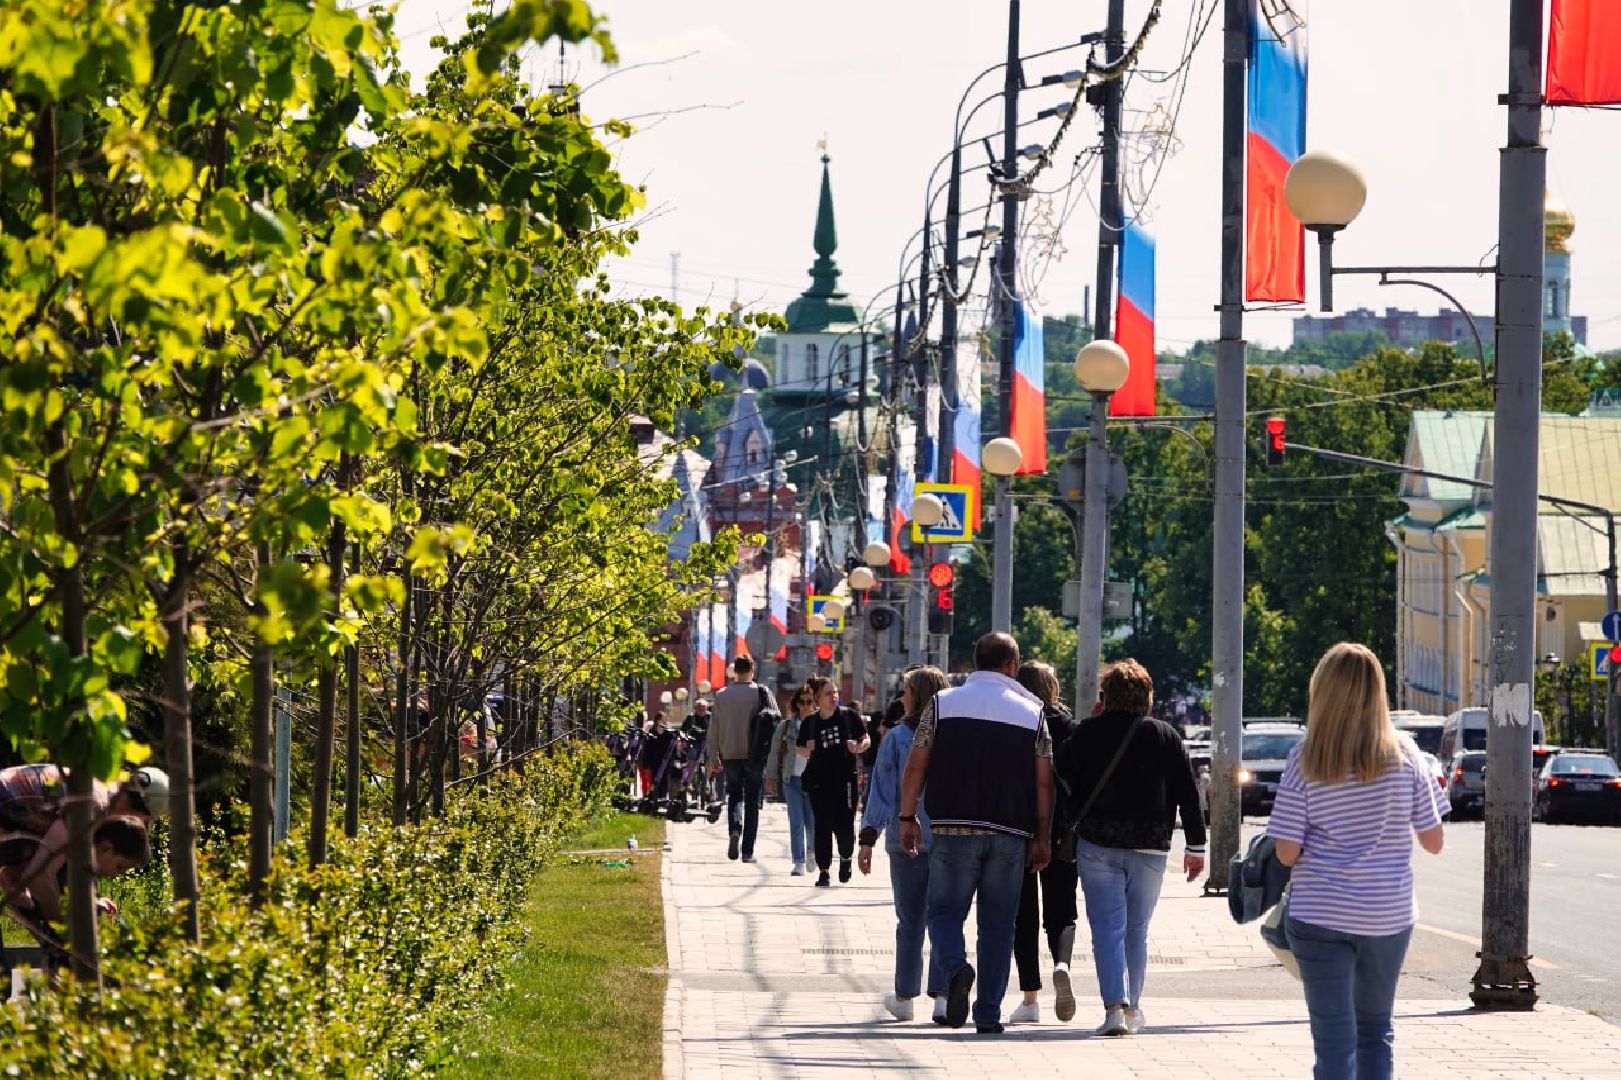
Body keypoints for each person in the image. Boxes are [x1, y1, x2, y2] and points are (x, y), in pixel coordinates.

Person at [1267, 643, 1445, 1080]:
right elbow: (1434, 841)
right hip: (1388, 913)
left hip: (1319, 913)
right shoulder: (1407, 755)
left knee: (1333, 1040)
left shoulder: (1305, 757)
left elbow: (1286, 852)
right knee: (1375, 1028)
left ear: (1322, 692)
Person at [897, 632, 1053, 1035]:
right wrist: (1042, 836)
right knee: (999, 925)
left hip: (952, 828)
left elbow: (916, 764)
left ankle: (954, 967)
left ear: (973, 662)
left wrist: (907, 816)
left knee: (944, 912)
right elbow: (1043, 782)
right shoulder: (1032, 711)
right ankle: (988, 1014)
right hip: (1009, 833)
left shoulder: (941, 704)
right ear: (1013, 666)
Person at [1056, 658, 1205, 1037]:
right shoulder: (1165, 735)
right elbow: (1188, 793)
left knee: (1108, 929)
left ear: (1106, 696)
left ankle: (1113, 1009)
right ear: (1147, 697)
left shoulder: (1088, 732)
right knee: (1137, 929)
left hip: (1098, 843)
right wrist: (1196, 847)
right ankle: (1134, 1006)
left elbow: (1061, 777)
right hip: (1151, 846)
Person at [858, 665, 949, 1023]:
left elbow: (881, 790)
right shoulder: (954, 736)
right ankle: (942, 995)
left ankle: (905, 997)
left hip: (905, 836)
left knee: (910, 920)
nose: (901, 697)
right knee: (945, 918)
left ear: (919, 695)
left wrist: (868, 837)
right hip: (948, 839)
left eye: (907, 691)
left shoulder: (897, 737)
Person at [1009, 660, 1081, 1025]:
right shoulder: (1070, 728)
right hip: (1064, 830)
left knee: (1022, 912)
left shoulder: (1016, 722)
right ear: (1052, 688)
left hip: (1019, 825)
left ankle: (1030, 998)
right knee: (1062, 909)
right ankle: (1063, 964)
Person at [796, 675, 868, 887]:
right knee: (823, 826)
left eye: (835, 692)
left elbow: (866, 739)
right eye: (828, 693)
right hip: (819, 782)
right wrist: (806, 748)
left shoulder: (848, 716)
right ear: (817, 698)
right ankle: (824, 870)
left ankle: (846, 858)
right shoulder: (810, 723)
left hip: (845, 780)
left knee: (845, 824)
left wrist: (858, 746)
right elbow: (799, 750)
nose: (833, 697)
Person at [707, 657, 778, 863]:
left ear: (734, 672)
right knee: (753, 801)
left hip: (730, 754)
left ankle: (734, 831)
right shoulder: (760, 692)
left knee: (734, 795)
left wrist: (714, 757)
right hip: (755, 755)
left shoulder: (721, 695)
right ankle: (747, 851)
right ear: (752, 670)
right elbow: (774, 721)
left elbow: (714, 730)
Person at [764, 685, 816, 876]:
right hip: (791, 779)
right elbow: (774, 753)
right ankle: (799, 861)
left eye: (809, 702)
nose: (805, 706)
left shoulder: (819, 725)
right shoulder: (786, 726)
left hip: (814, 781)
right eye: (801, 702)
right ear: (796, 703)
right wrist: (770, 777)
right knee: (796, 821)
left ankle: (812, 852)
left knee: (812, 822)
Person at [637, 711, 676, 803]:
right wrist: (646, 762)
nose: (664, 722)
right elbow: (647, 748)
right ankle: (653, 797)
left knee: (664, 780)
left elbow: (671, 747)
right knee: (653, 780)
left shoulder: (668, 733)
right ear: (657, 721)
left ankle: (662, 798)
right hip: (654, 760)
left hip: (664, 761)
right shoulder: (652, 732)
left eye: (665, 720)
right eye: (662, 720)